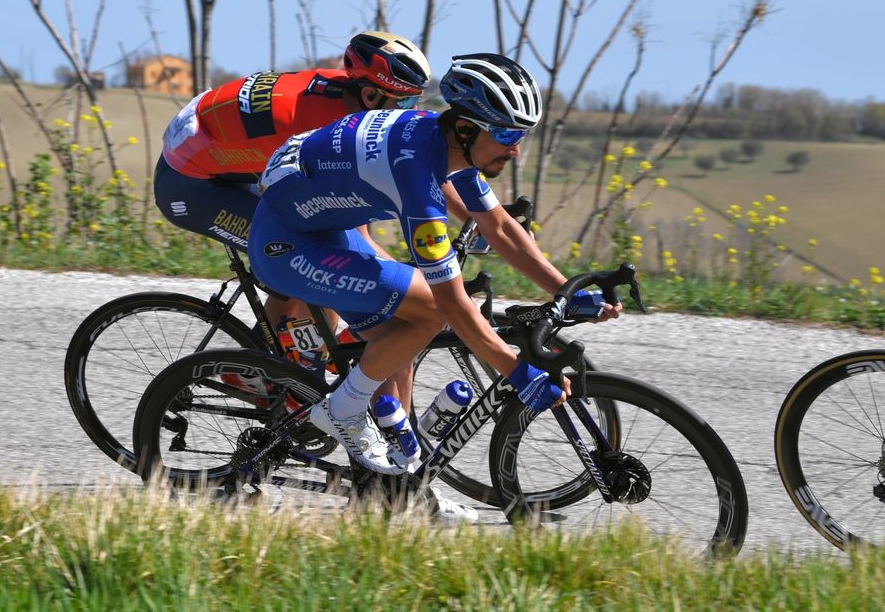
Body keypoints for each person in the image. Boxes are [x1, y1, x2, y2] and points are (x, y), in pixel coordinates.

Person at [247, 53, 622, 491]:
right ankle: (343, 409)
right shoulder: (417, 176)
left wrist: (564, 291)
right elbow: (451, 302)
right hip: (288, 244)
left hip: (321, 223)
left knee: (402, 337)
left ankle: (394, 486)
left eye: (520, 134)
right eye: (505, 133)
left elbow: (499, 227)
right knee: (428, 312)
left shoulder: (441, 142)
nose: (515, 148)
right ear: (465, 128)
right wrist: (515, 371)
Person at [153, 31, 432, 360]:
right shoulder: (318, 131)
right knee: (314, 256)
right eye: (403, 102)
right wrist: (415, 284)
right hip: (189, 188)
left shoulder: (344, 96)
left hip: (216, 158)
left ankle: (275, 366)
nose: (411, 111)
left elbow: (354, 221)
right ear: (369, 95)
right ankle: (266, 373)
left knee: (320, 251)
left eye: (417, 100)